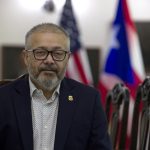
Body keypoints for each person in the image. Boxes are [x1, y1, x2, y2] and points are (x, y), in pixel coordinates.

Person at [0, 23, 112, 150]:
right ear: (26, 57)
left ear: (68, 58)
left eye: (58, 53)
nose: (49, 60)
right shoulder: (3, 98)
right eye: (40, 52)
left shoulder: (89, 100)